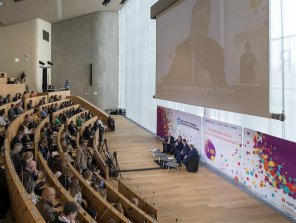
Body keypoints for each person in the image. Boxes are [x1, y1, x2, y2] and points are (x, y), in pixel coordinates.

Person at [161, 0, 225, 86]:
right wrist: (163, 81)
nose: (197, 31)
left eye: (201, 24)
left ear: (208, 26)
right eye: (194, 24)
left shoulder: (217, 51)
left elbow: (224, 88)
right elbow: (172, 76)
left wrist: (211, 84)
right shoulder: (181, 49)